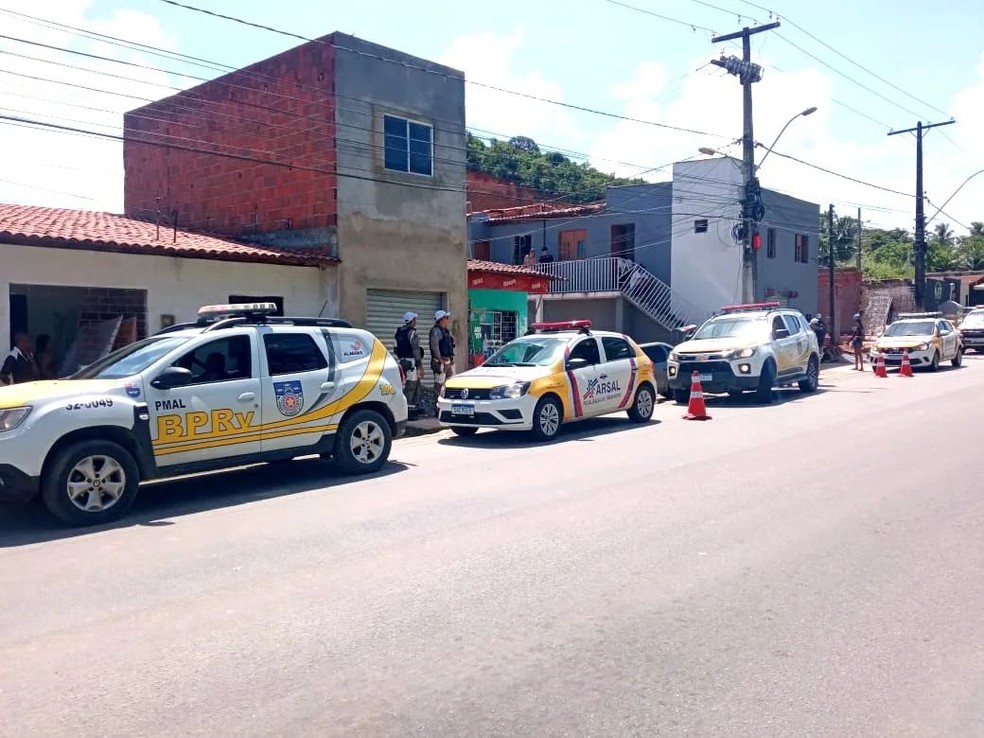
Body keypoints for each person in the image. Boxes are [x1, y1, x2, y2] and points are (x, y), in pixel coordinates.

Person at [394, 312, 424, 411]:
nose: (416, 321)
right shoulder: (412, 333)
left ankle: (401, 408)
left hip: (401, 362)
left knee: (401, 385)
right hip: (411, 362)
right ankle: (408, 410)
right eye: (415, 319)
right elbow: (416, 350)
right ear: (411, 321)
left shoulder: (398, 332)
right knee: (411, 386)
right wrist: (419, 365)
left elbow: (395, 349)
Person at [429, 310, 455, 411]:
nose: (448, 320)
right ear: (441, 320)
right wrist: (439, 359)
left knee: (449, 382)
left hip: (447, 361)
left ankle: (447, 405)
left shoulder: (445, 331)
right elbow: (435, 346)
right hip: (440, 362)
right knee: (439, 385)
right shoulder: (436, 331)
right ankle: (438, 408)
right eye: (446, 318)